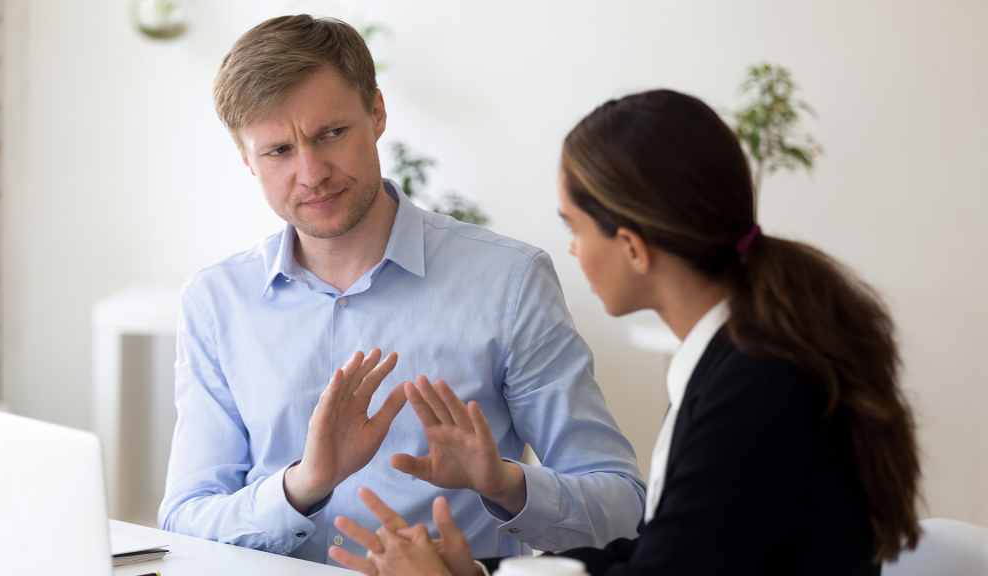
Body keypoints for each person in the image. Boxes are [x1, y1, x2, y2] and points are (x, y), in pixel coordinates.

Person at [332, 89, 923, 575]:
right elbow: (663, 555)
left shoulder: (756, 390)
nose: (570, 248)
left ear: (634, 248)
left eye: (576, 227)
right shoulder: (741, 362)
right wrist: (486, 572)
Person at [157, 14, 647, 567]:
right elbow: (185, 519)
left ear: (377, 113)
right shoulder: (216, 301)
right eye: (278, 151)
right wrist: (304, 484)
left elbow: (624, 508)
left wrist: (505, 483)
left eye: (332, 134)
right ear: (246, 159)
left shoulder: (508, 280)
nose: (312, 172)